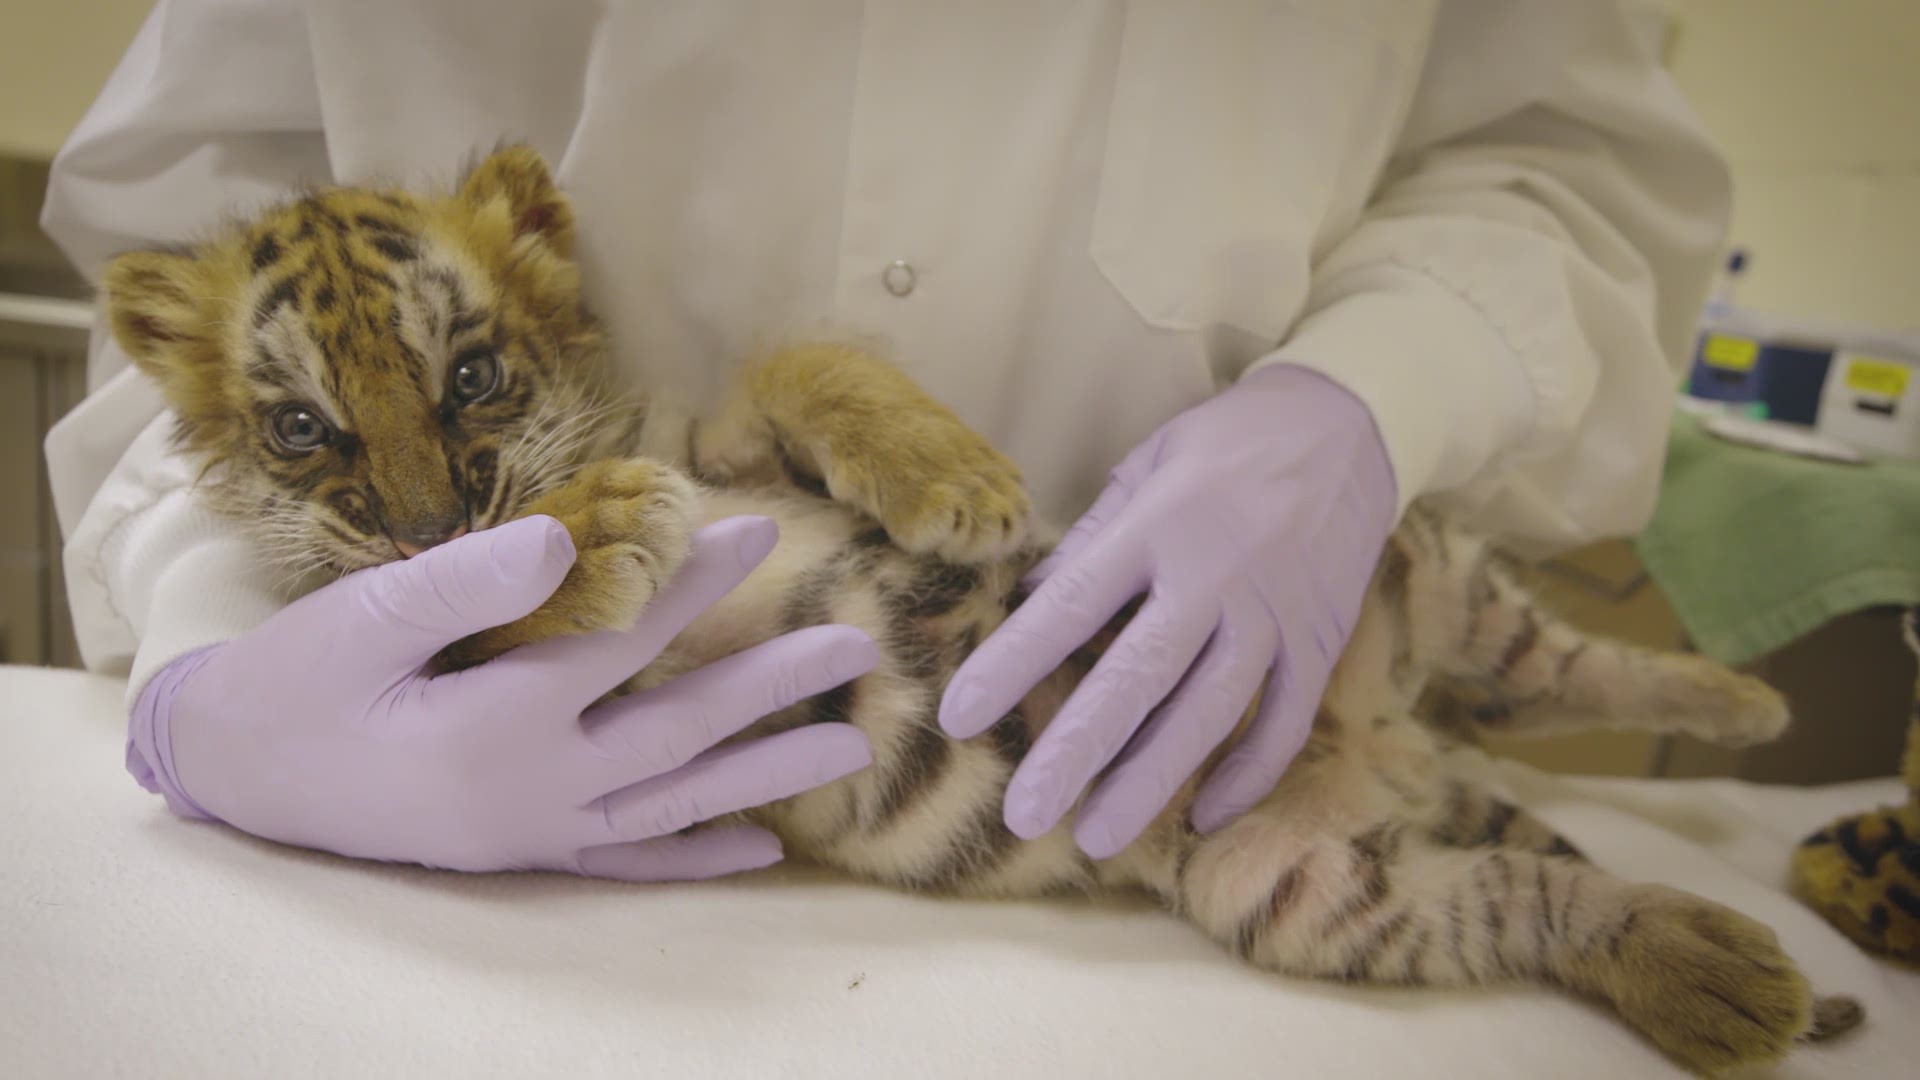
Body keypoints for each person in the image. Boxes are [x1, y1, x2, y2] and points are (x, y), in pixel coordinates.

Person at [42, 0, 1729, 879]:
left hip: (1184, 766)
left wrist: (1364, 399)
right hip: (472, 829)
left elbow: (1566, 165)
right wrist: (211, 660)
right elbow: (189, 261)